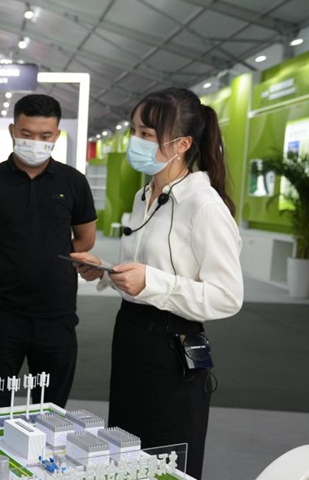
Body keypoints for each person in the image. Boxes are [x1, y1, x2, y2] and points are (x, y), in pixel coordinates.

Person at [70, 87, 243, 479]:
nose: (135, 141)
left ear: (181, 143)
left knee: (165, 457)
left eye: (146, 134)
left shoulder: (205, 206)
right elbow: (146, 272)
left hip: (173, 348)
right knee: (126, 449)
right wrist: (107, 271)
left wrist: (154, 282)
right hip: (132, 336)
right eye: (134, 130)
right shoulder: (145, 193)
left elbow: (227, 296)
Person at [0, 94, 97, 409]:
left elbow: (86, 239)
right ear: (12, 130)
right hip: (2, 312)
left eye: (45, 136)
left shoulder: (73, 182)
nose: (35, 141)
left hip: (57, 313)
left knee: (51, 405)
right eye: (26, 133)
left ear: (57, 135)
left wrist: (51, 260)